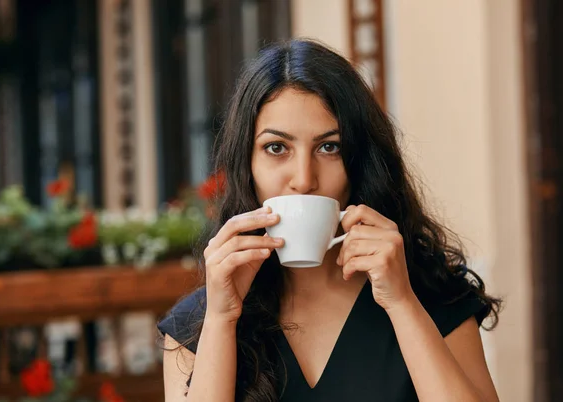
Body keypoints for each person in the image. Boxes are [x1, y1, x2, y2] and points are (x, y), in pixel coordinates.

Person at [158, 39, 502, 402]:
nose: (304, 178)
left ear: (360, 163)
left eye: (329, 147)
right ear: (247, 166)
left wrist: (401, 303)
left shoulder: (431, 295)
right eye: (277, 148)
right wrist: (221, 319)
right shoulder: (198, 322)